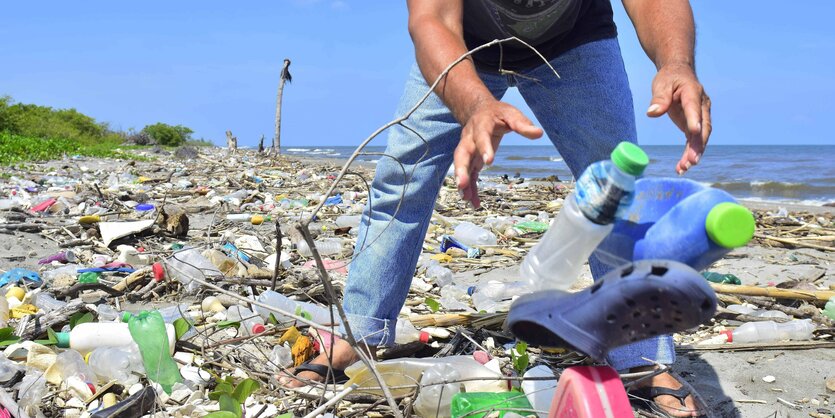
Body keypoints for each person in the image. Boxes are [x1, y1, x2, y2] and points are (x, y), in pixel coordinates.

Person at [282, 0, 711, 416]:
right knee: (402, 176)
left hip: (575, 39)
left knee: (615, 181)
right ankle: (360, 330)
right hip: (461, 43)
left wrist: (676, 64)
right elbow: (430, 17)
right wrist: (474, 105)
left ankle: (640, 357)